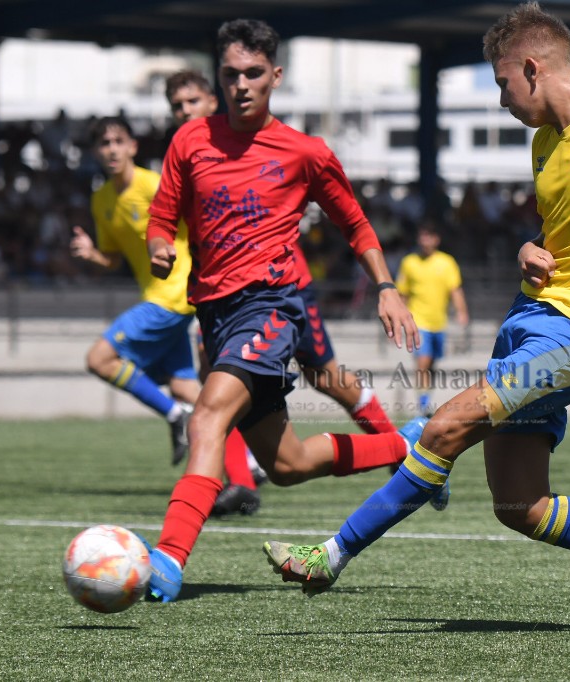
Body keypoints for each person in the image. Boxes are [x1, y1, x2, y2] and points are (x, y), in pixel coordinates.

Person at [262, 1, 570, 637]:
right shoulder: (545, 143)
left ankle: (332, 555)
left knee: (445, 426)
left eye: (502, 82)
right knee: (520, 505)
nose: (501, 99)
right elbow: (565, 232)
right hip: (529, 320)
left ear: (533, 68)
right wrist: (528, 250)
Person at [143, 18, 433, 603]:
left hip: (271, 307)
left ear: (275, 76)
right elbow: (161, 214)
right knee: (288, 465)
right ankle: (406, 446)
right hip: (215, 315)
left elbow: (356, 224)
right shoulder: (190, 141)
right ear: (219, 77)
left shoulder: (305, 152)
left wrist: (385, 286)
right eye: (231, 74)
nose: (241, 85)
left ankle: (168, 558)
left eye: (254, 73)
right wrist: (159, 245)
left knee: (206, 418)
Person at [162, 69, 401, 518]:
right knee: (223, 390)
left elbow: (343, 219)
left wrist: (386, 286)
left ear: (214, 101)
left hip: (281, 295)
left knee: (324, 377)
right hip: (219, 300)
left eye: (192, 102)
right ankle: (241, 481)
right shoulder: (190, 152)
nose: (184, 112)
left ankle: (396, 448)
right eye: (177, 106)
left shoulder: (267, 145)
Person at [70, 116, 198, 466]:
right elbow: (113, 259)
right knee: (186, 388)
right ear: (96, 152)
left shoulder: (154, 185)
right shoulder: (101, 200)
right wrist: (92, 254)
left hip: (173, 295)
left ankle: (175, 415)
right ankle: (250, 461)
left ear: (133, 147)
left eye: (118, 142)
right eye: (104, 144)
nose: (112, 150)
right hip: (157, 296)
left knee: (99, 359)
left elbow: (197, 223)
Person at [395, 219, 469, 416]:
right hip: (418, 321)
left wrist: (462, 312)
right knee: (423, 361)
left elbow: (455, 290)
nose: (425, 240)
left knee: (432, 364)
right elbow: (402, 293)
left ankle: (426, 397)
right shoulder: (409, 262)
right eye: (422, 236)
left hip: (438, 323)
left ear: (436, 239)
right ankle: (423, 405)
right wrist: (398, 317)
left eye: (429, 236)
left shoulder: (447, 262)